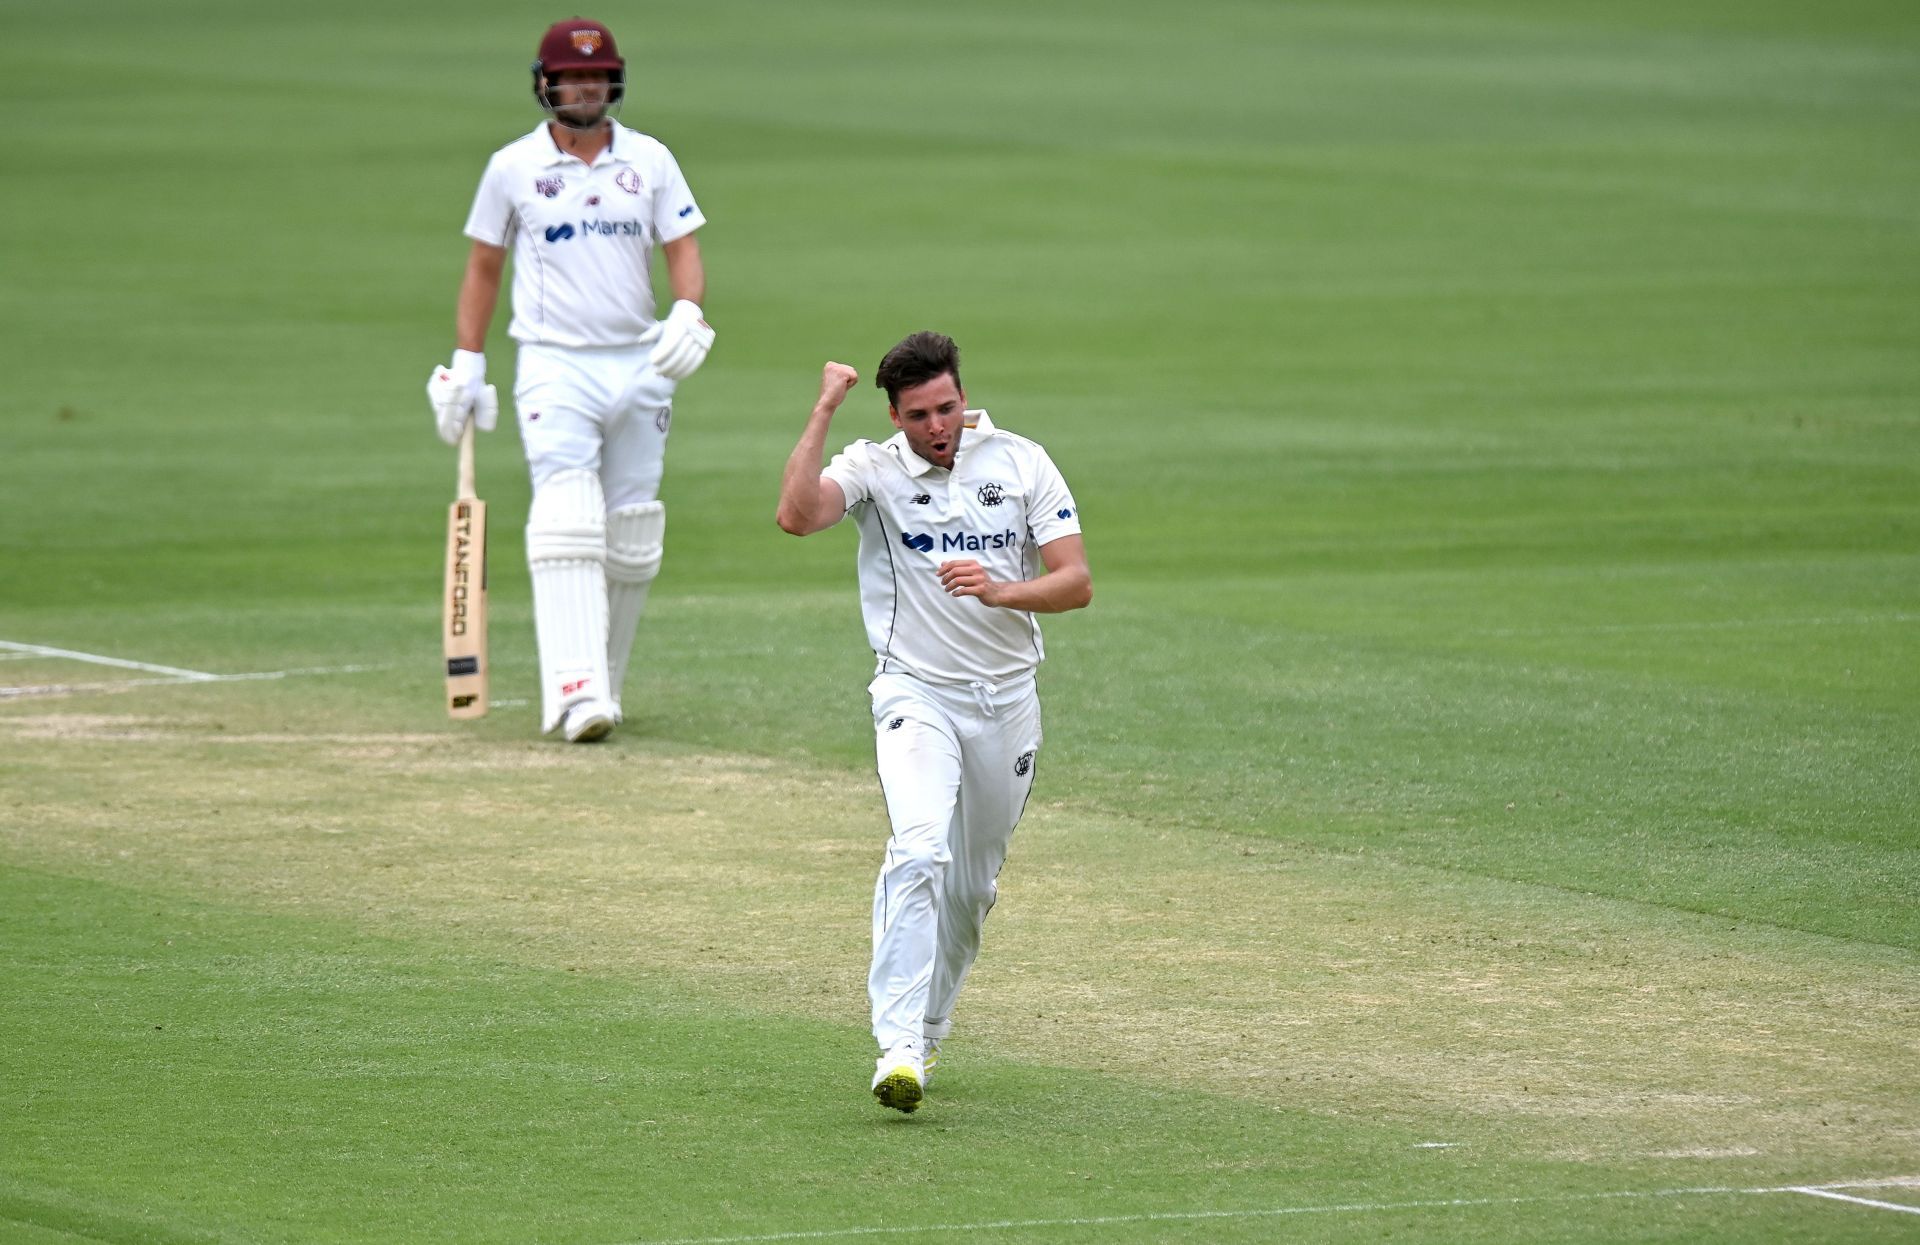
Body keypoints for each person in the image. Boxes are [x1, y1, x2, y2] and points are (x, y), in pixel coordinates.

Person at [775, 332, 1093, 1112]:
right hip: (917, 694)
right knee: (919, 849)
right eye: (918, 414)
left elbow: (1075, 581)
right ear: (895, 414)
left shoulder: (1020, 461)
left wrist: (997, 590)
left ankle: (931, 1023)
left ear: (962, 398)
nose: (937, 425)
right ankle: (898, 1046)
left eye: (946, 407)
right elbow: (797, 514)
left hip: (1008, 700)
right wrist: (822, 408)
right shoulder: (874, 467)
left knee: (971, 887)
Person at [426, 17, 714, 742]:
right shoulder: (511, 167)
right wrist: (468, 360)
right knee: (567, 514)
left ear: (612, 81)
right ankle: (576, 687)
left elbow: (682, 248)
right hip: (554, 363)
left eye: (596, 76)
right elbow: (483, 268)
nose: (584, 87)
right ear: (546, 83)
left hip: (640, 361)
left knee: (632, 532)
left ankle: (602, 687)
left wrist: (687, 312)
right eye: (571, 77)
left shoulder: (648, 160)